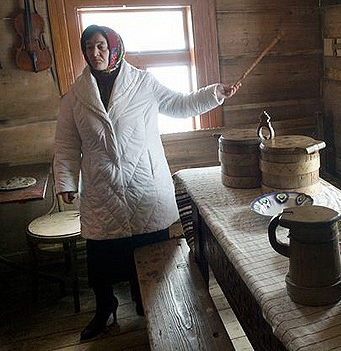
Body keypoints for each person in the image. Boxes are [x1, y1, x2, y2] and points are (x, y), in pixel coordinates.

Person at [53, 25, 240, 341]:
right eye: (88, 47)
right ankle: (105, 307)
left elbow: (180, 105)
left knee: (151, 252)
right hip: (102, 189)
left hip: (144, 184)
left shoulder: (143, 83)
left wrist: (214, 94)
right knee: (101, 261)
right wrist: (66, 182)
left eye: (101, 46)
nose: (94, 53)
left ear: (114, 48)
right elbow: (66, 144)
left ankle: (147, 301)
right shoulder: (74, 96)